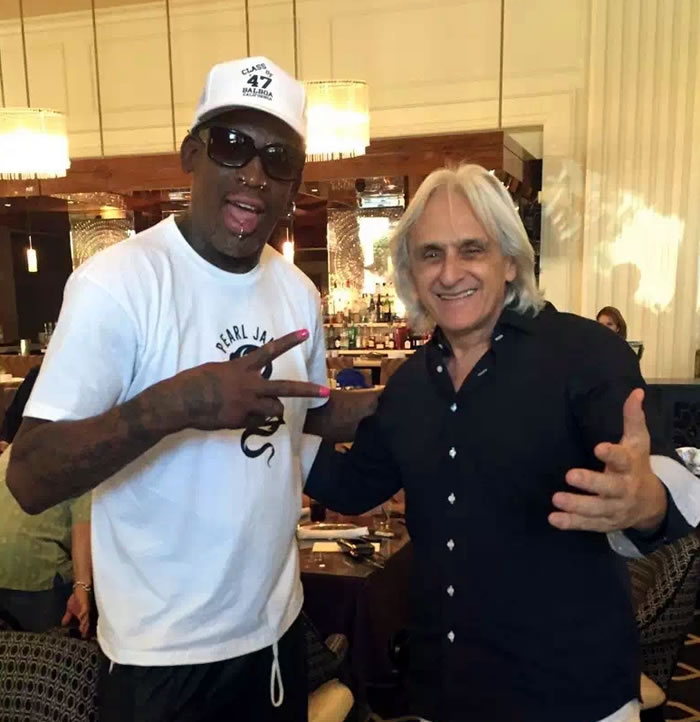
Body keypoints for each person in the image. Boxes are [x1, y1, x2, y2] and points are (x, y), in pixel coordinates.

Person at [7, 56, 375, 722]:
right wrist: (172, 406)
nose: (255, 173)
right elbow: (29, 477)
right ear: (192, 153)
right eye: (233, 145)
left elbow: (308, 414)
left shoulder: (297, 291)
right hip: (160, 660)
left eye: (278, 157)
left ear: (295, 182)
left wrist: (429, 396)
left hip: (275, 638)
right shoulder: (116, 284)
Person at [305, 164, 700, 722]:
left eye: (472, 249)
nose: (450, 273)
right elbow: (355, 485)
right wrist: (268, 435)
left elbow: (656, 477)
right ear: (411, 272)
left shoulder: (584, 353)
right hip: (449, 693)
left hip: (573, 695)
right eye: (431, 254)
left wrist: (648, 501)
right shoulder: (411, 385)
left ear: (510, 260)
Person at [0, 367, 91, 637]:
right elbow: (84, 524)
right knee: (53, 652)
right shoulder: (85, 452)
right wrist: (83, 588)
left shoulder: (17, 447)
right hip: (38, 576)